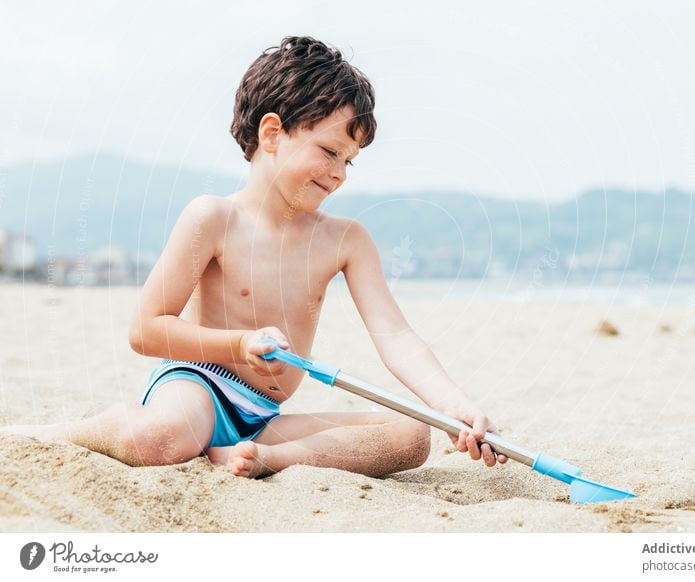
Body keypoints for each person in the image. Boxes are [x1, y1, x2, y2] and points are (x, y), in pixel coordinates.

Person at [3, 35, 507, 478]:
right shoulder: (213, 218)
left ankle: (265, 458)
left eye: (349, 161)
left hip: (264, 414)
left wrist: (453, 406)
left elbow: (395, 336)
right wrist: (239, 343)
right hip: (196, 385)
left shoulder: (346, 240)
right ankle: (76, 430)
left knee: (411, 436)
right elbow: (146, 330)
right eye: (329, 152)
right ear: (272, 134)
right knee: (162, 438)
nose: (340, 174)